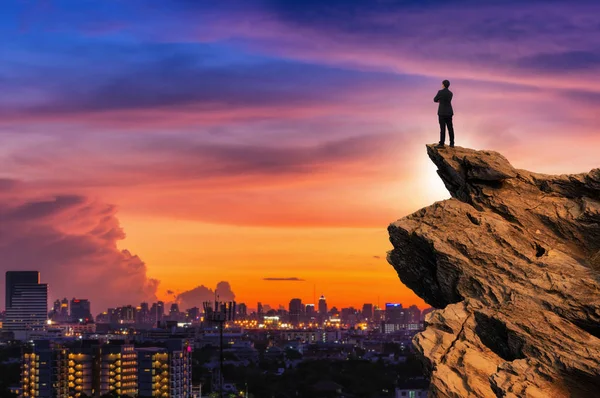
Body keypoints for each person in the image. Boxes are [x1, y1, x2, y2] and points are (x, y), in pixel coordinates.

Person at [434, 80, 454, 148]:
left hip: (442, 112)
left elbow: (435, 99)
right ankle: (452, 143)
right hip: (449, 112)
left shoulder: (440, 92)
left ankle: (442, 143)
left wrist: (440, 100)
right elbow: (448, 100)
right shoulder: (450, 93)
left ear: (443, 85)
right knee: (450, 128)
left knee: (442, 129)